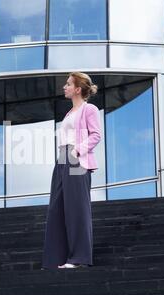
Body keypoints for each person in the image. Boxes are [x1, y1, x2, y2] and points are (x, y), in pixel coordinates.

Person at [42, 72, 102, 270]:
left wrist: (76, 151)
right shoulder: (69, 113)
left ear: (78, 89)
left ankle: (79, 259)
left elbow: (96, 135)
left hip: (76, 159)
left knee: (77, 208)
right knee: (56, 208)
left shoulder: (89, 109)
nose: (64, 87)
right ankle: (55, 259)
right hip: (62, 159)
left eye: (68, 84)